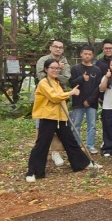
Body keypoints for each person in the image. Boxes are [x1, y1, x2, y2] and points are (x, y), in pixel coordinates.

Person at [26, 58, 92, 181]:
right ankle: (33, 172)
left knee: (70, 141)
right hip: (48, 117)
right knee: (42, 144)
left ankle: (82, 163)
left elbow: (60, 98)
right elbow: (54, 97)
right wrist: (71, 93)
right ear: (46, 69)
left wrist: (67, 94)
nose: (56, 70)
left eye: (57, 68)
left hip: (61, 117)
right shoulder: (44, 83)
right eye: (53, 68)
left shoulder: (56, 83)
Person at [35, 39, 71, 167]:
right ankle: (41, 154)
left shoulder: (65, 61)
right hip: (46, 99)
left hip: (61, 97)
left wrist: (55, 73)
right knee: (42, 128)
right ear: (50, 48)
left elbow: (66, 78)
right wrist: (57, 71)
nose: (58, 49)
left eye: (60, 47)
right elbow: (41, 77)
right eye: (55, 47)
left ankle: (56, 152)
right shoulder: (43, 60)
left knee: (60, 126)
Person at [69, 45, 102, 154]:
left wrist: (90, 100)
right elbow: (72, 84)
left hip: (91, 103)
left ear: (92, 56)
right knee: (76, 124)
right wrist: (82, 79)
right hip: (78, 102)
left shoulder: (97, 70)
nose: (87, 56)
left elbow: (98, 87)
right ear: (81, 54)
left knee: (91, 125)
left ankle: (90, 145)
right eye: (85, 54)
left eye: (89, 54)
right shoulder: (75, 68)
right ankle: (77, 146)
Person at [98, 57, 112, 157]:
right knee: (108, 128)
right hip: (108, 106)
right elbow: (102, 89)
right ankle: (108, 148)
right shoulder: (106, 77)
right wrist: (107, 77)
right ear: (109, 67)